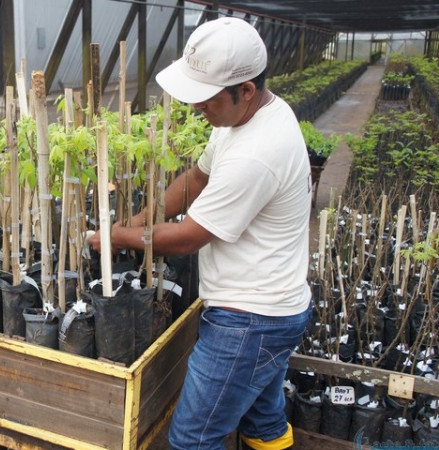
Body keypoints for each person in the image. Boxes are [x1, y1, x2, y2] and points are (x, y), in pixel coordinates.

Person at [88, 17, 312, 450]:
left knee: (193, 437)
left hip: (249, 320)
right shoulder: (247, 116)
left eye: (206, 100)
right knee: (262, 421)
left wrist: (119, 237)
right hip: (272, 309)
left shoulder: (258, 153)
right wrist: (138, 219)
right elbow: (195, 178)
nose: (197, 109)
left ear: (245, 89)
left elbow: (190, 237)